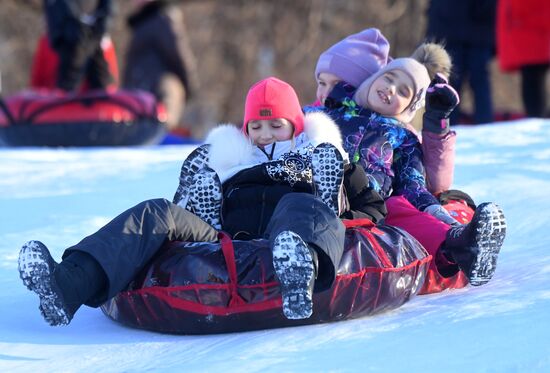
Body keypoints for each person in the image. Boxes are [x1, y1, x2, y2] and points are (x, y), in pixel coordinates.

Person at [173, 77, 387, 319]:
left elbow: (374, 208)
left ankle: (306, 252)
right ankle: (209, 222)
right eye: (256, 127)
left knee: (297, 204)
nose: (265, 135)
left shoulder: (327, 159)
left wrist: (340, 222)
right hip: (239, 244)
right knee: (214, 199)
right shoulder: (233, 167)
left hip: (292, 230)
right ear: (246, 129)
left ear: (296, 126)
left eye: (276, 126)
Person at [319, 43, 507, 288]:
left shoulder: (402, 137)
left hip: (371, 207)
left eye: (403, 91)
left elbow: (413, 184)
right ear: (374, 78)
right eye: (389, 78)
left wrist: (442, 216)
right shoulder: (325, 113)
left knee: (398, 205)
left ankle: (460, 246)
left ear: (408, 109)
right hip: (323, 194)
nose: (390, 89)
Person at [311, 28, 456, 196]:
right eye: (322, 83)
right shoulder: (313, 117)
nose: (327, 93)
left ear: (366, 83)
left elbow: (433, 185)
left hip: (372, 205)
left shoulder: (396, 131)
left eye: (338, 85)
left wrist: (436, 126)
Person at [123, 0, 199, 132]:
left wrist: (189, 85)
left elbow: (178, 54)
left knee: (161, 134)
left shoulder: (163, 17)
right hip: (138, 94)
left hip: (161, 93)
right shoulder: (141, 21)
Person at [426, 0, 497, 124]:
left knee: (476, 83)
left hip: (473, 34)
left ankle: (484, 124)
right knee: (452, 84)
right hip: (455, 33)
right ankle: (447, 127)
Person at [42, 0, 114, 91]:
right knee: (68, 83)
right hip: (68, 37)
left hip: (95, 36)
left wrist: (102, 28)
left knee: (102, 82)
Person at [496, 0, 550, 118]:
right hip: (532, 34)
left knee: (532, 83)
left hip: (531, 33)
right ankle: (538, 119)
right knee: (533, 82)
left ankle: (537, 120)